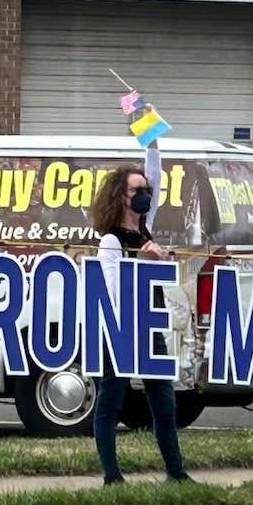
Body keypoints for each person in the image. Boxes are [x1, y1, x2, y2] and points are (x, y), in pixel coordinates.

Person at [90, 165, 193, 486]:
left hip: (150, 324)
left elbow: (156, 172)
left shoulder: (144, 231)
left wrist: (150, 134)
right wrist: (143, 264)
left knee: (164, 401)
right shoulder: (111, 240)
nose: (145, 196)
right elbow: (112, 290)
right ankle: (112, 476)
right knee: (111, 400)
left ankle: (176, 473)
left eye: (147, 190)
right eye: (137, 191)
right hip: (119, 329)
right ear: (122, 197)